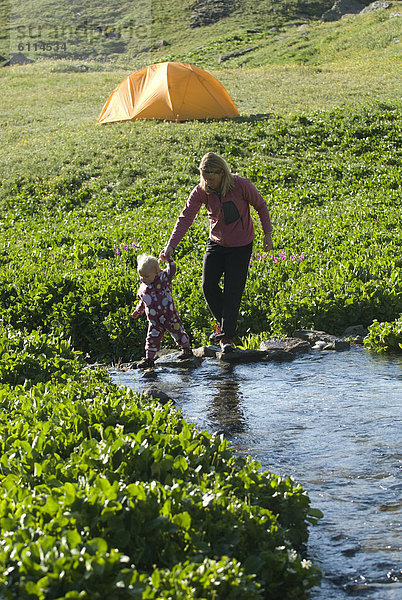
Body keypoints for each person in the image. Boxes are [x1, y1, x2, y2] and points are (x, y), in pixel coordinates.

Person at [160, 152, 273, 353]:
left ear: (222, 173)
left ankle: (226, 337)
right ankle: (224, 324)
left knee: (232, 290)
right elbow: (185, 217)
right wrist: (171, 246)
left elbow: (261, 206)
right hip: (217, 243)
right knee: (207, 285)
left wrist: (267, 234)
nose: (207, 182)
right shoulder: (202, 190)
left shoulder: (241, 185)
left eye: (211, 179)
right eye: (204, 178)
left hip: (240, 245)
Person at [131, 253, 193, 368]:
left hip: (169, 316)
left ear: (156, 272)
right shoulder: (143, 287)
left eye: (146, 276)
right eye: (141, 276)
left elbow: (172, 269)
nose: (143, 279)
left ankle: (187, 349)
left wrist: (168, 260)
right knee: (151, 339)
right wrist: (138, 311)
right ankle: (149, 359)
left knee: (178, 332)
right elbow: (143, 301)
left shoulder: (163, 278)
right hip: (154, 321)